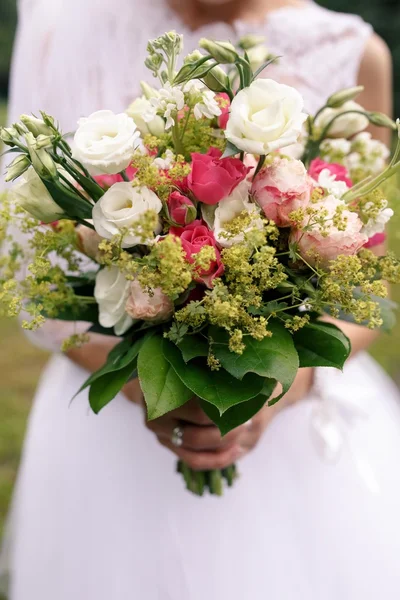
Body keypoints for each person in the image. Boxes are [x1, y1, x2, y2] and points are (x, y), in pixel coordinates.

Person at [2, 0, 400, 598]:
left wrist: (273, 392)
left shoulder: (354, 51)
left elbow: (366, 289)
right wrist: (144, 388)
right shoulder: (66, 27)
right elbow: (34, 270)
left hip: (283, 417)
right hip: (116, 419)